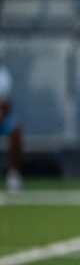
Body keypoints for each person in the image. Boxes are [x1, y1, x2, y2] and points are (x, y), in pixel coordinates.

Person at [0, 61, 24, 192]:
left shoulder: (2, 75)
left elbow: (6, 105)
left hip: (1, 118)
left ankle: (14, 176)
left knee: (16, 129)